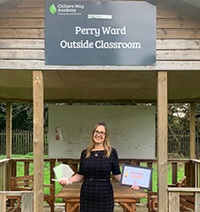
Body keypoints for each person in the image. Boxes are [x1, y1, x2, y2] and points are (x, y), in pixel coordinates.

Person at [59, 122, 139, 212]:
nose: (98, 135)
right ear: (93, 134)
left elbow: (117, 174)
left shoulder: (111, 152)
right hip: (87, 193)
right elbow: (81, 175)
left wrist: (131, 182)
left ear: (105, 136)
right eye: (96, 132)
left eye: (102, 132)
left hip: (105, 194)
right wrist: (68, 180)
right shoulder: (85, 153)